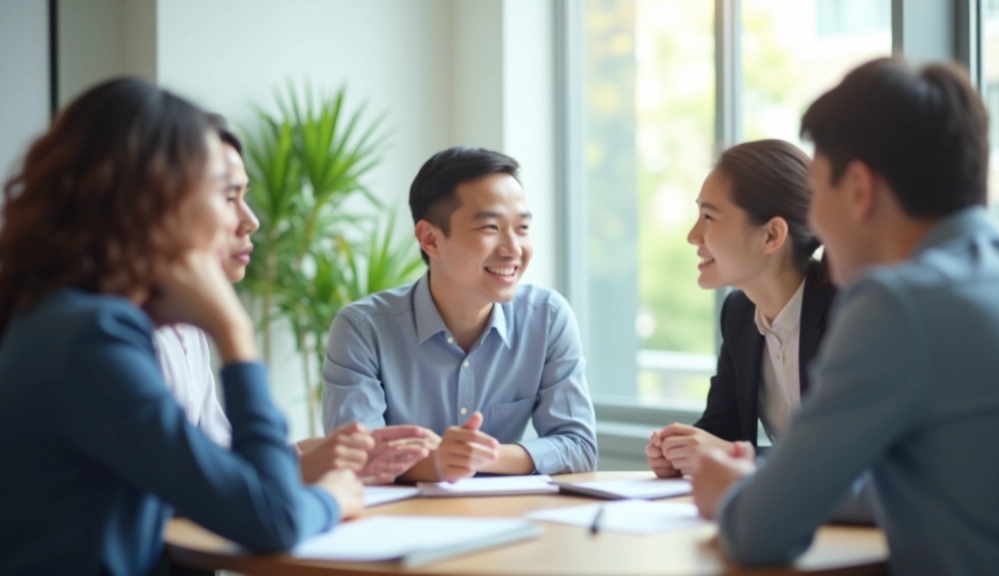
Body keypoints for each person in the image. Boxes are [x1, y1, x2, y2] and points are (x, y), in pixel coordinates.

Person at [0, 78, 360, 575]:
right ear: (158, 200)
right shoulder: (94, 338)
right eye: (224, 194)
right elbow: (272, 517)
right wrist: (235, 332)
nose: (239, 219)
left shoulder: (57, 315)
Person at [691, 58, 999, 575]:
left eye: (818, 191)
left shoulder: (898, 305)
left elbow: (760, 532)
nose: (815, 221)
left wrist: (733, 492)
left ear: (860, 190)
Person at [154, 117, 435, 485]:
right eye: (227, 198)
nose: (251, 220)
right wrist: (233, 329)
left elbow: (217, 451)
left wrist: (313, 452)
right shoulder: (113, 335)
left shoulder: (183, 325)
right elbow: (206, 489)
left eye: (245, 197)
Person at [321, 147, 597, 482]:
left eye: (522, 228)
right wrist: (437, 464)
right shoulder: (363, 329)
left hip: (507, 521)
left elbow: (580, 449)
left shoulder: (548, 318)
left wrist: (479, 456)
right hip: (400, 524)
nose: (513, 249)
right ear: (430, 239)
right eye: (491, 228)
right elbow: (358, 460)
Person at [645, 140, 834, 478]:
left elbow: (842, 454)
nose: (693, 235)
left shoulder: (845, 313)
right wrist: (681, 449)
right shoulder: (738, 314)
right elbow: (722, 430)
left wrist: (738, 456)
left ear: (771, 235)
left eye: (709, 217)